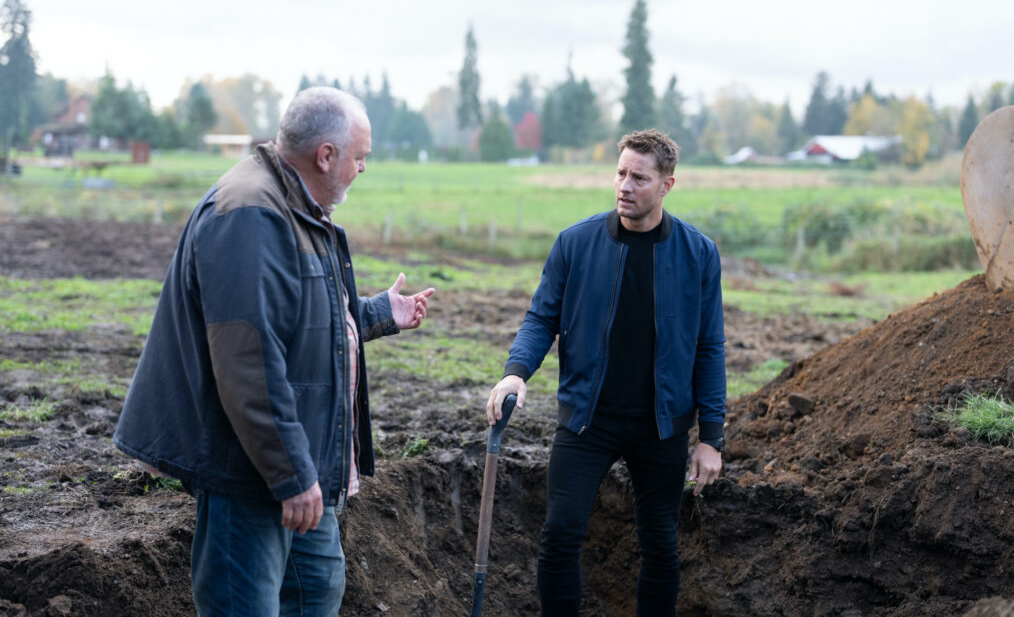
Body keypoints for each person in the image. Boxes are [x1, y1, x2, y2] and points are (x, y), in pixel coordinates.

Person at [114, 87, 435, 615]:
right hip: (251, 475)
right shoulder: (249, 215)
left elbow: (301, 318)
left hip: (297, 466)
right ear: (325, 155)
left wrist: (376, 313)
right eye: (360, 158)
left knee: (316, 593)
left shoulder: (296, 206)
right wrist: (292, 476)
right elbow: (248, 363)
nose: (362, 170)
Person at [486, 129, 726, 616]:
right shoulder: (575, 244)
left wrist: (711, 436)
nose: (625, 185)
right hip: (586, 420)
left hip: (662, 425)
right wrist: (516, 372)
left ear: (667, 185)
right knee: (559, 536)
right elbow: (541, 318)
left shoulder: (698, 254)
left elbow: (709, 346)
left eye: (639, 177)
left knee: (660, 545)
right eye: (620, 173)